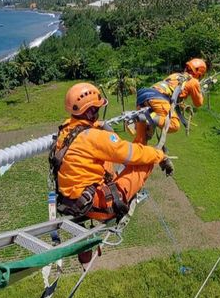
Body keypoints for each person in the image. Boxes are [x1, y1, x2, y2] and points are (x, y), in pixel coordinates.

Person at [50, 82, 167, 222]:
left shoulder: (66, 130)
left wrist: (98, 125)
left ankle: (109, 183)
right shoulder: (95, 137)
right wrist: (160, 155)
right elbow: (131, 154)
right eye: (96, 109)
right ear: (90, 112)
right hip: (97, 208)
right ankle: (117, 195)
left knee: (105, 159)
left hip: (73, 201)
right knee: (144, 162)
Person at [134, 58, 207, 143]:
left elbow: (173, 95)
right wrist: (200, 91)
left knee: (143, 136)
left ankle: (137, 151)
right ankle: (146, 116)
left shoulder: (175, 75)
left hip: (144, 95)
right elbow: (198, 103)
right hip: (158, 97)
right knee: (174, 125)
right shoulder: (194, 81)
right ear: (199, 74)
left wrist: (182, 105)